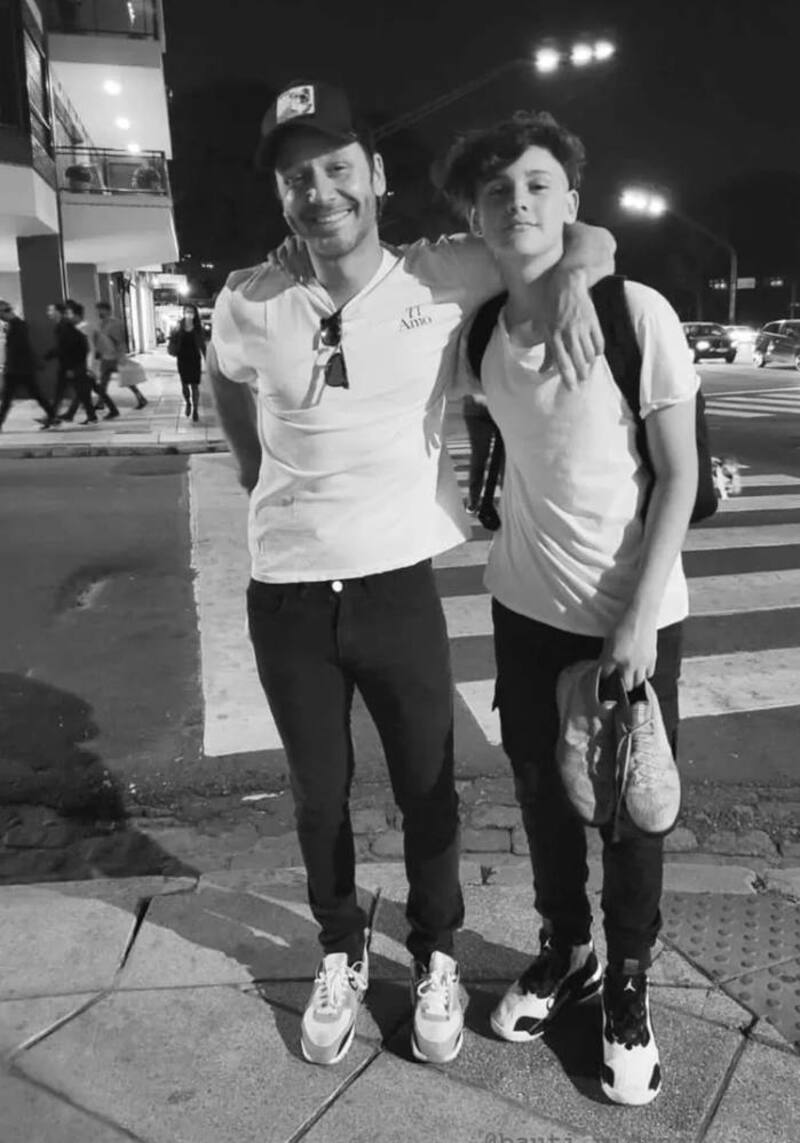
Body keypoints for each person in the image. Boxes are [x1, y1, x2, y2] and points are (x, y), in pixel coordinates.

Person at [209, 79, 614, 1070]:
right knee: (317, 794)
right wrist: (253, 468)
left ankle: (436, 953)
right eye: (296, 178)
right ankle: (339, 949)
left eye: (336, 167)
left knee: (427, 789)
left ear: (375, 174)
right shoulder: (249, 298)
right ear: (280, 195)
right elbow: (224, 373)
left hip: (395, 587)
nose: (320, 192)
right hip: (285, 596)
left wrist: (570, 279)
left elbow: (584, 234)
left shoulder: (442, 274)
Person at [440, 111, 698, 1106]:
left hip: (633, 611)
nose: (519, 204)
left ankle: (628, 982)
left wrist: (636, 617)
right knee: (542, 793)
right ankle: (568, 949)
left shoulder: (637, 315)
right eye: (498, 191)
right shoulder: (478, 331)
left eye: (538, 185)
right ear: (475, 216)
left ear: (571, 201)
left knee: (632, 810)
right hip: (524, 610)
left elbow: (678, 476)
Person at [0, 301, 58, 430]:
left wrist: (10, 365)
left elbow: (20, 348)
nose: (1, 318)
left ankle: (53, 415)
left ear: (5, 312)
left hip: (17, 368)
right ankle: (53, 416)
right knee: (33, 394)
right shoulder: (16, 325)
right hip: (20, 368)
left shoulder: (18, 326)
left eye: (0, 314)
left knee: (8, 397)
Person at [93, 301, 146, 410]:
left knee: (127, 380)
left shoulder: (115, 323)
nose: (98, 312)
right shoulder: (101, 324)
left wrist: (121, 355)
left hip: (115, 357)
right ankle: (100, 402)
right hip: (105, 357)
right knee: (103, 381)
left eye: (100, 310)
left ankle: (141, 398)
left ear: (107, 310)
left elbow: (120, 340)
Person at [53, 300, 98, 424]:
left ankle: (68, 415)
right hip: (80, 365)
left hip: (83, 364)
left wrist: (89, 366)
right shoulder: (75, 327)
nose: (68, 316)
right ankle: (80, 415)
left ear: (76, 315)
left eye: (69, 313)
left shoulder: (83, 328)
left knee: (85, 390)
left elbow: (89, 348)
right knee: (83, 391)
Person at [461, 390, 500, 514]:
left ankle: (473, 502)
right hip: (495, 406)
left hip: (476, 408)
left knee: (479, 456)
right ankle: (510, 503)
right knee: (503, 457)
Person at [169, 304, 206, 422]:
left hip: (195, 359)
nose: (189, 314)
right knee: (184, 385)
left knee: (195, 386)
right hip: (182, 359)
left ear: (195, 314)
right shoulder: (178, 326)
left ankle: (195, 409)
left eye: (191, 312)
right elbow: (172, 340)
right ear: (183, 313)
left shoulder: (198, 328)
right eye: (187, 311)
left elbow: (202, 345)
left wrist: (207, 358)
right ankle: (188, 402)